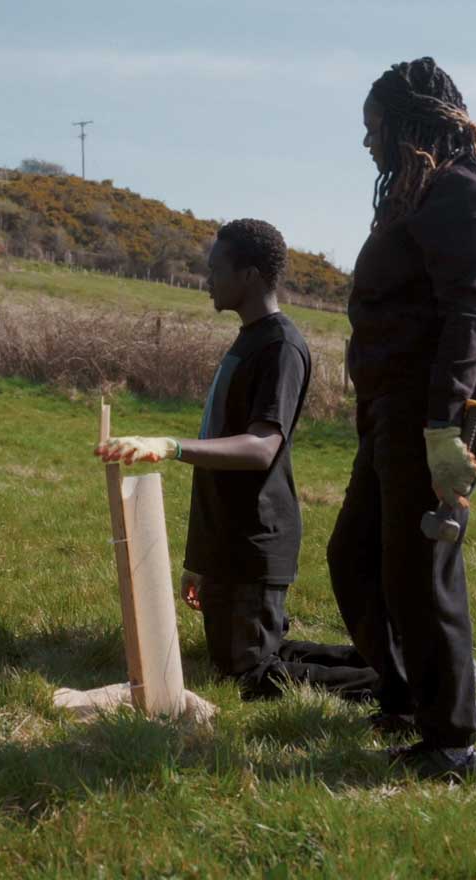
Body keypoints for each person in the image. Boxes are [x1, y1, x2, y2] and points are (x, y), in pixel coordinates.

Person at [328, 57, 476, 783]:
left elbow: (470, 314)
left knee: (420, 568)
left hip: (447, 399)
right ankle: (412, 698)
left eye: (374, 129)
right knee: (356, 556)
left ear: (410, 125)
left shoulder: (459, 194)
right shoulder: (419, 198)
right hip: (403, 404)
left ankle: (451, 743)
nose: (368, 144)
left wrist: (443, 427)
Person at [97, 218, 378, 702]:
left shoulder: (281, 347)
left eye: (216, 269)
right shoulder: (249, 339)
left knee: (248, 674)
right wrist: (199, 560)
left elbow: (262, 446)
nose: (207, 279)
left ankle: (412, 685)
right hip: (227, 542)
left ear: (248, 276)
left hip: (255, 540)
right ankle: (405, 665)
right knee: (249, 657)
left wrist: (171, 446)